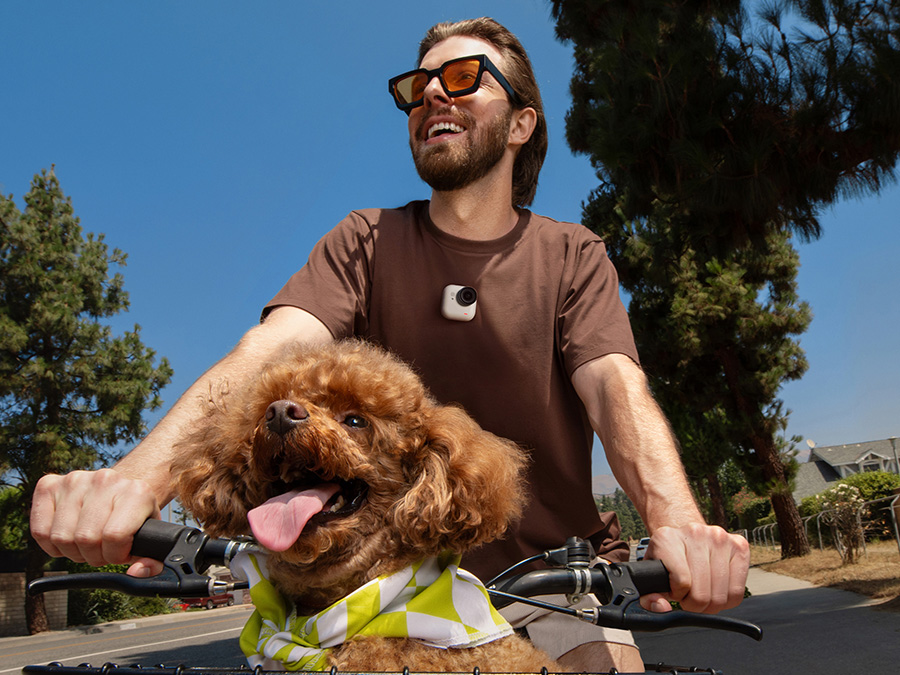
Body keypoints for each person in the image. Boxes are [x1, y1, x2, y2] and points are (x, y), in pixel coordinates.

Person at [30, 17, 749, 672]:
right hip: (368, 588)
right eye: (417, 85)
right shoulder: (363, 241)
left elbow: (615, 387)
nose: (432, 93)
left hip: (551, 584)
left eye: (463, 77)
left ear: (523, 122)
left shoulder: (571, 255)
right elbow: (267, 355)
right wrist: (136, 480)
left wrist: (679, 525)